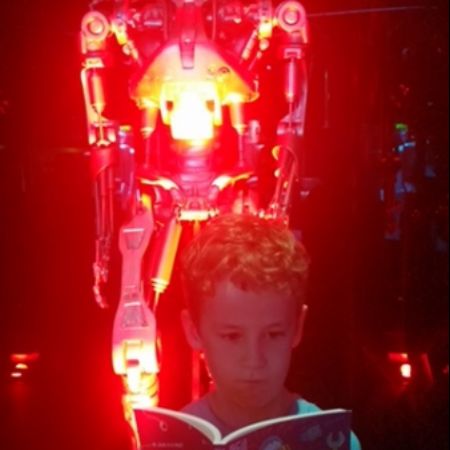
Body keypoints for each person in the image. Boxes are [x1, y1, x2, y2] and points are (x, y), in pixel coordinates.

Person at [180, 213, 361, 449]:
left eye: (273, 335)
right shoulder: (173, 439)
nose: (254, 361)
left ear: (297, 326)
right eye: (232, 336)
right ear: (194, 331)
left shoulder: (334, 440)